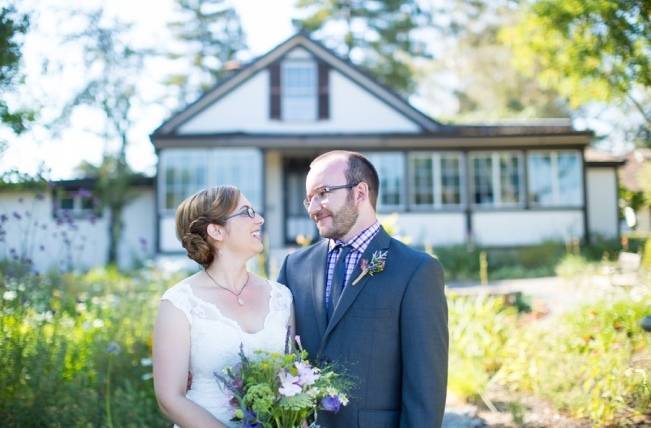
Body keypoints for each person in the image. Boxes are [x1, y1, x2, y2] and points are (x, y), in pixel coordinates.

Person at [278, 150, 448, 428]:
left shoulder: (416, 271)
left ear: (359, 192)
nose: (313, 208)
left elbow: (425, 387)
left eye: (323, 192)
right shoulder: (293, 267)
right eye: (309, 198)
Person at [153, 186, 293, 427]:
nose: (259, 219)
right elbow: (170, 398)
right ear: (216, 230)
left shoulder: (280, 297)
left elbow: (292, 382)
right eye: (247, 212)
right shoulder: (179, 303)